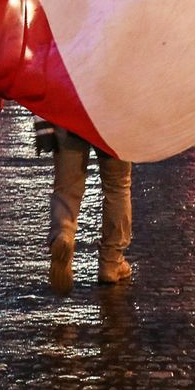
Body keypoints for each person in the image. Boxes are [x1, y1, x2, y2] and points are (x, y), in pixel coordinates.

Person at [38, 118, 132, 293]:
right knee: (117, 187)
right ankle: (111, 263)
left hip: (71, 115)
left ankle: (63, 235)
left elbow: (43, 97)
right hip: (113, 121)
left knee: (66, 188)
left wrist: (43, 126)